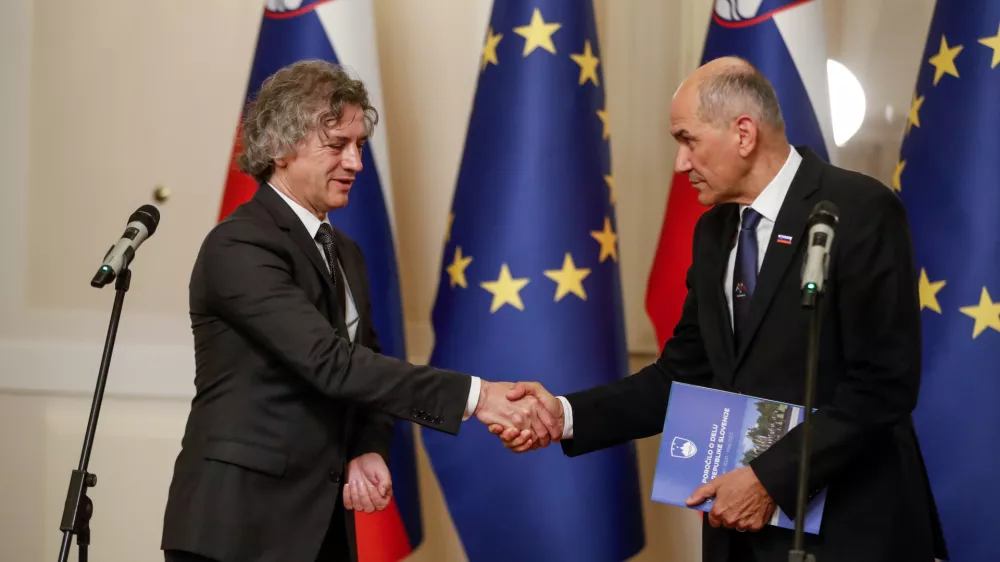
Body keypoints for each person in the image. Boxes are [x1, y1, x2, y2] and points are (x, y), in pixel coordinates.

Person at [491, 56, 948, 562]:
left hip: (851, 531)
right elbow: (683, 373)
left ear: (744, 134)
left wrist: (769, 480)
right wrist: (564, 414)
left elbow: (883, 385)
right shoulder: (714, 232)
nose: (680, 163)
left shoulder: (857, 209)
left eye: (688, 140)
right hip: (740, 535)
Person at [160, 60, 555, 562]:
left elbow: (367, 360)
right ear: (280, 148)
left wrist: (368, 446)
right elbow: (329, 361)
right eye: (337, 145)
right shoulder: (239, 245)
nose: (356, 163)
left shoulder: (344, 251)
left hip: (319, 522)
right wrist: (477, 397)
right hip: (236, 527)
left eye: (360, 145)